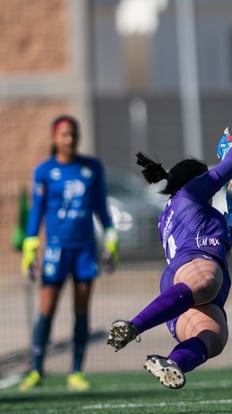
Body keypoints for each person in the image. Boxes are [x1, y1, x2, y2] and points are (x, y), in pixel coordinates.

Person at [107, 128, 232, 389]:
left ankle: (173, 363)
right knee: (207, 280)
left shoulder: (173, 212)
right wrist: (228, 146)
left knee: (214, 337)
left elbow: (219, 244)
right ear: (194, 180)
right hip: (193, 269)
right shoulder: (190, 193)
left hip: (184, 285)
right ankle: (134, 326)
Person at [19, 115, 119, 391]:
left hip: (84, 249)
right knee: (47, 309)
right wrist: (30, 243)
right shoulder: (44, 171)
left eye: (73, 134)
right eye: (64, 135)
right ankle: (36, 369)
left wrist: (110, 236)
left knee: (81, 310)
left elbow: (101, 206)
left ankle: (76, 371)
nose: (70, 139)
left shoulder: (92, 168)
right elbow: (37, 209)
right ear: (55, 138)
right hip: (56, 249)